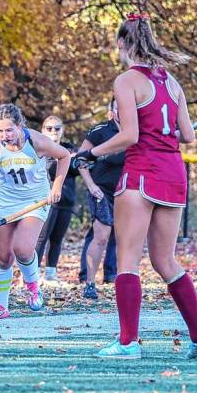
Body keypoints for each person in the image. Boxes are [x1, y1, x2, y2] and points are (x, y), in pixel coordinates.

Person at [75, 14, 197, 359]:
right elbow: (187, 135)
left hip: (142, 173)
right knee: (166, 261)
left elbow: (130, 135)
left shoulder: (127, 80)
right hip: (173, 173)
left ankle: (128, 342)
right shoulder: (172, 81)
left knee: (128, 259)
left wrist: (90, 154)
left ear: (121, 44)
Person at [0, 103, 70, 320]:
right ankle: (0, 306)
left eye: (9, 130)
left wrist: (56, 187)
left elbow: (65, 156)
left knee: (22, 248)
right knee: (2, 257)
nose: (4, 135)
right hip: (5, 203)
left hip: (35, 201)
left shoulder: (36, 141)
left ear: (20, 125)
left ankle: (33, 286)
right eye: (0, 131)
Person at [77, 99, 124, 298]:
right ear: (111, 112)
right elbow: (80, 159)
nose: (122, 110)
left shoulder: (139, 130)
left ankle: (122, 281)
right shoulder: (101, 130)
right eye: (118, 107)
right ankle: (89, 283)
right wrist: (91, 185)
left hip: (128, 191)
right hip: (102, 190)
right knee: (101, 237)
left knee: (125, 238)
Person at [35, 116, 78, 281]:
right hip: (46, 200)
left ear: (62, 130)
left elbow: (77, 167)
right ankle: (34, 275)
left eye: (57, 128)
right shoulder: (40, 150)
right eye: (49, 128)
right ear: (42, 130)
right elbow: (51, 168)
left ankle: (51, 274)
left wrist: (71, 160)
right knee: (41, 237)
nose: (53, 131)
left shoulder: (68, 149)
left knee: (57, 239)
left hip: (66, 200)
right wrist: (68, 160)